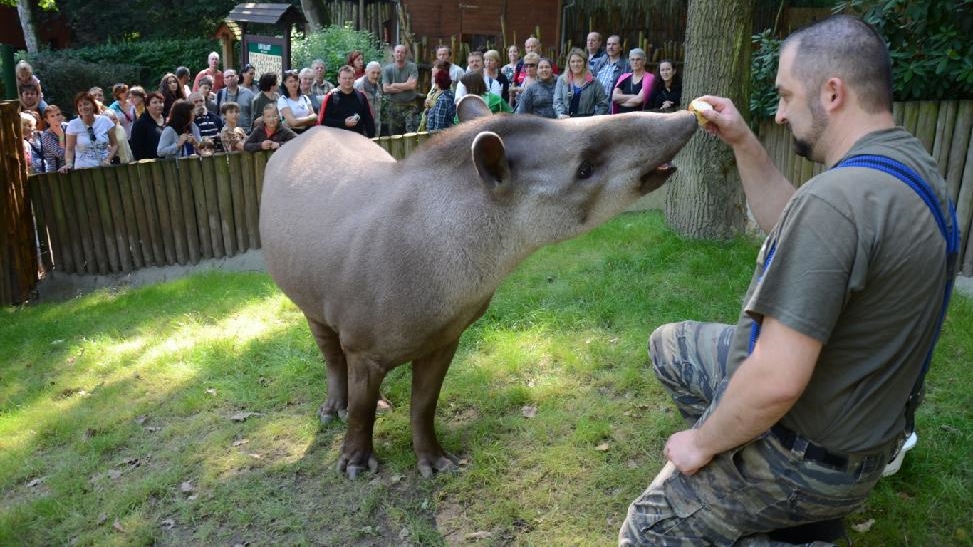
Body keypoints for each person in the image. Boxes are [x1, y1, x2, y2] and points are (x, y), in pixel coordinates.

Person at [618, 15, 957, 545]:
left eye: (785, 96)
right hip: (867, 430)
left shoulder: (837, 203)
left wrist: (702, 443)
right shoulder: (906, 169)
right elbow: (793, 225)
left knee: (646, 530)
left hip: (812, 460)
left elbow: (776, 380)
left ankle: (791, 518)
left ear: (832, 93)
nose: (778, 114)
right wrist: (742, 141)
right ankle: (765, 498)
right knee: (671, 345)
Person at [60, 91, 117, 172]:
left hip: (105, 169)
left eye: (86, 104)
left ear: (93, 105)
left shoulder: (105, 121)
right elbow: (69, 149)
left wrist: (108, 160)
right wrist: (68, 164)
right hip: (83, 171)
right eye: (80, 105)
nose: (83, 107)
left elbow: (115, 145)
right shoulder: (73, 125)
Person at [319, 65, 376, 138]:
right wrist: (343, 123)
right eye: (344, 78)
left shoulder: (361, 97)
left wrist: (372, 140)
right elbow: (323, 122)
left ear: (354, 79)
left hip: (357, 141)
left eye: (350, 78)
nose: (347, 81)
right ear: (338, 79)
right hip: (337, 142)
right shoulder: (331, 97)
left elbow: (369, 122)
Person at [553, 48, 608, 118]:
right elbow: (557, 101)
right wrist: (561, 114)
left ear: (584, 63)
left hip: (586, 123)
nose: (576, 64)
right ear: (569, 64)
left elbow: (603, 105)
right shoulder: (562, 80)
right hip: (565, 121)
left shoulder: (594, 82)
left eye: (579, 61)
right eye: (572, 61)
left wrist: (594, 119)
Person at [382, 44, 420, 135]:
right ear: (394, 54)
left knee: (411, 133)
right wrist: (405, 86)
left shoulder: (412, 67)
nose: (399, 54)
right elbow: (385, 89)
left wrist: (394, 85)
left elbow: (412, 86)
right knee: (394, 134)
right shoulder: (388, 69)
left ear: (405, 55)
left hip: (410, 106)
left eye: (402, 52)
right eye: (397, 52)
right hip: (394, 106)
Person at [611, 48, 654, 114]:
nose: (635, 62)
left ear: (644, 61)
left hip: (639, 118)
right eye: (632, 59)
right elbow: (615, 97)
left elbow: (639, 100)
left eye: (638, 59)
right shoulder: (624, 77)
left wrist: (621, 102)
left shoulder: (650, 78)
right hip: (621, 117)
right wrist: (633, 96)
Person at [277, 69, 317, 134]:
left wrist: (297, 121)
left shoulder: (305, 98)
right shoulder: (283, 100)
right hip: (290, 135)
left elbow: (315, 118)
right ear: (285, 83)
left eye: (296, 80)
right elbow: (293, 123)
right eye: (290, 81)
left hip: (307, 133)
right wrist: (309, 119)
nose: (294, 83)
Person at [130, 91, 166, 160]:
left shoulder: (168, 120)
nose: (159, 105)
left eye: (161, 102)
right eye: (155, 102)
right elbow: (136, 148)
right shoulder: (140, 123)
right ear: (147, 106)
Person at [216, 68, 255, 132]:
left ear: (237, 77)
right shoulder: (219, 94)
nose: (230, 78)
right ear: (224, 81)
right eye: (227, 77)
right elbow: (217, 114)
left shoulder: (248, 94)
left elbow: (254, 114)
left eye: (232, 76)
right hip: (226, 133)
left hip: (245, 132)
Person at [421, 60, 454, 132]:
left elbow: (439, 123)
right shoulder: (435, 84)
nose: (432, 69)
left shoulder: (444, 94)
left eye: (434, 67)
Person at [354, 61, 383, 136]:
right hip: (362, 129)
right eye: (373, 73)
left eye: (378, 73)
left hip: (376, 128)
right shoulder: (357, 85)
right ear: (366, 72)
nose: (376, 76)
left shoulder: (378, 86)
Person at [39, 105, 67, 172]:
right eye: (52, 116)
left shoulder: (68, 127)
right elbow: (62, 155)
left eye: (58, 114)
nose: (56, 117)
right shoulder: (46, 136)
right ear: (47, 120)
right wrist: (61, 135)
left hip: (73, 168)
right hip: (56, 173)